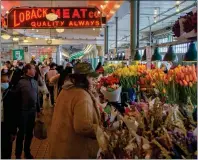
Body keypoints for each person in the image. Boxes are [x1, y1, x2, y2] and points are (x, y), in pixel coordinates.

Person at [49, 62, 100, 159]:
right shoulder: (82, 96)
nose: (93, 81)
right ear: (84, 78)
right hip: (74, 149)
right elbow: (83, 127)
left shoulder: (66, 90)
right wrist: (101, 131)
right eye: (91, 78)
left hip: (61, 144)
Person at [15, 63, 41, 159]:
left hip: (32, 112)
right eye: (33, 69)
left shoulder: (34, 82)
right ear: (27, 70)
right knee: (21, 134)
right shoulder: (20, 82)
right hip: (23, 112)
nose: (35, 70)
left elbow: (37, 96)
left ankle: (27, 152)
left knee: (30, 134)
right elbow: (15, 98)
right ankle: (18, 155)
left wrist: (38, 110)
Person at [1, 72, 18, 159]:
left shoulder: (11, 94)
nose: (5, 83)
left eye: (6, 81)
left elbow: (13, 115)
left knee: (7, 151)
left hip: (6, 126)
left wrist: (13, 132)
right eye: (2, 81)